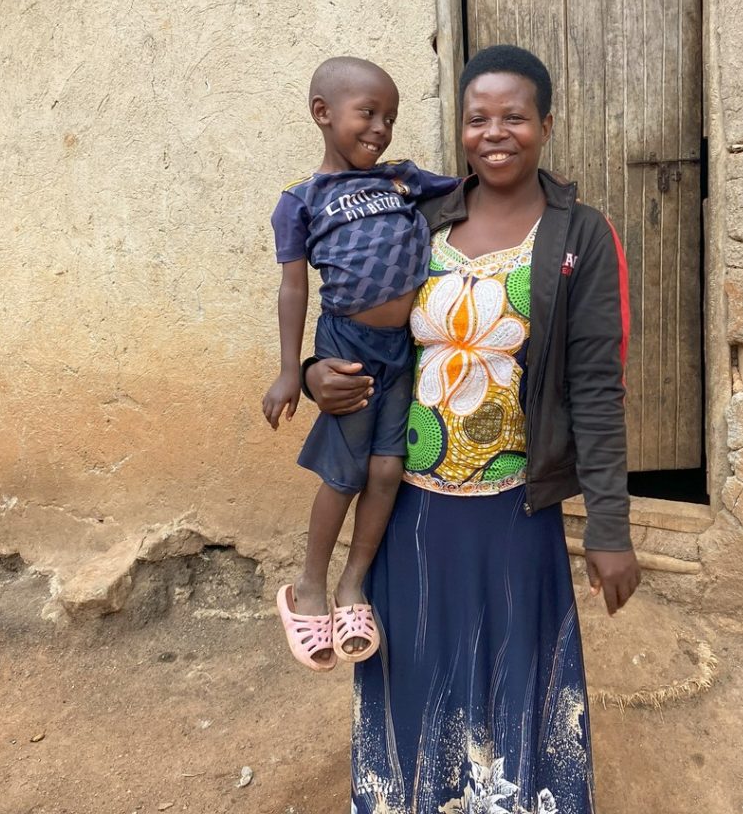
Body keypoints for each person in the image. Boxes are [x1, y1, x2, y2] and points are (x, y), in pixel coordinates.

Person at [305, 45, 640, 812]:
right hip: (407, 508)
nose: (496, 132)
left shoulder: (579, 236)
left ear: (545, 126)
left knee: (513, 678)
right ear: (460, 129)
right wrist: (314, 371)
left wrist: (610, 528)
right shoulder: (418, 217)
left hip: (514, 511)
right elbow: (352, 313)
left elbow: (596, 386)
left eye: (514, 116)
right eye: (477, 117)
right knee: (415, 674)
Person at [262, 56, 457, 671]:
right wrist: (293, 369)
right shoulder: (302, 199)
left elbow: (473, 189)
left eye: (390, 117)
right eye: (367, 113)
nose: (380, 128)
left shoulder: (403, 180)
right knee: (344, 475)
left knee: (386, 471)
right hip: (347, 349)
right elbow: (294, 288)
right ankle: (309, 587)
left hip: (404, 350)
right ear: (322, 114)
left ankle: (353, 586)